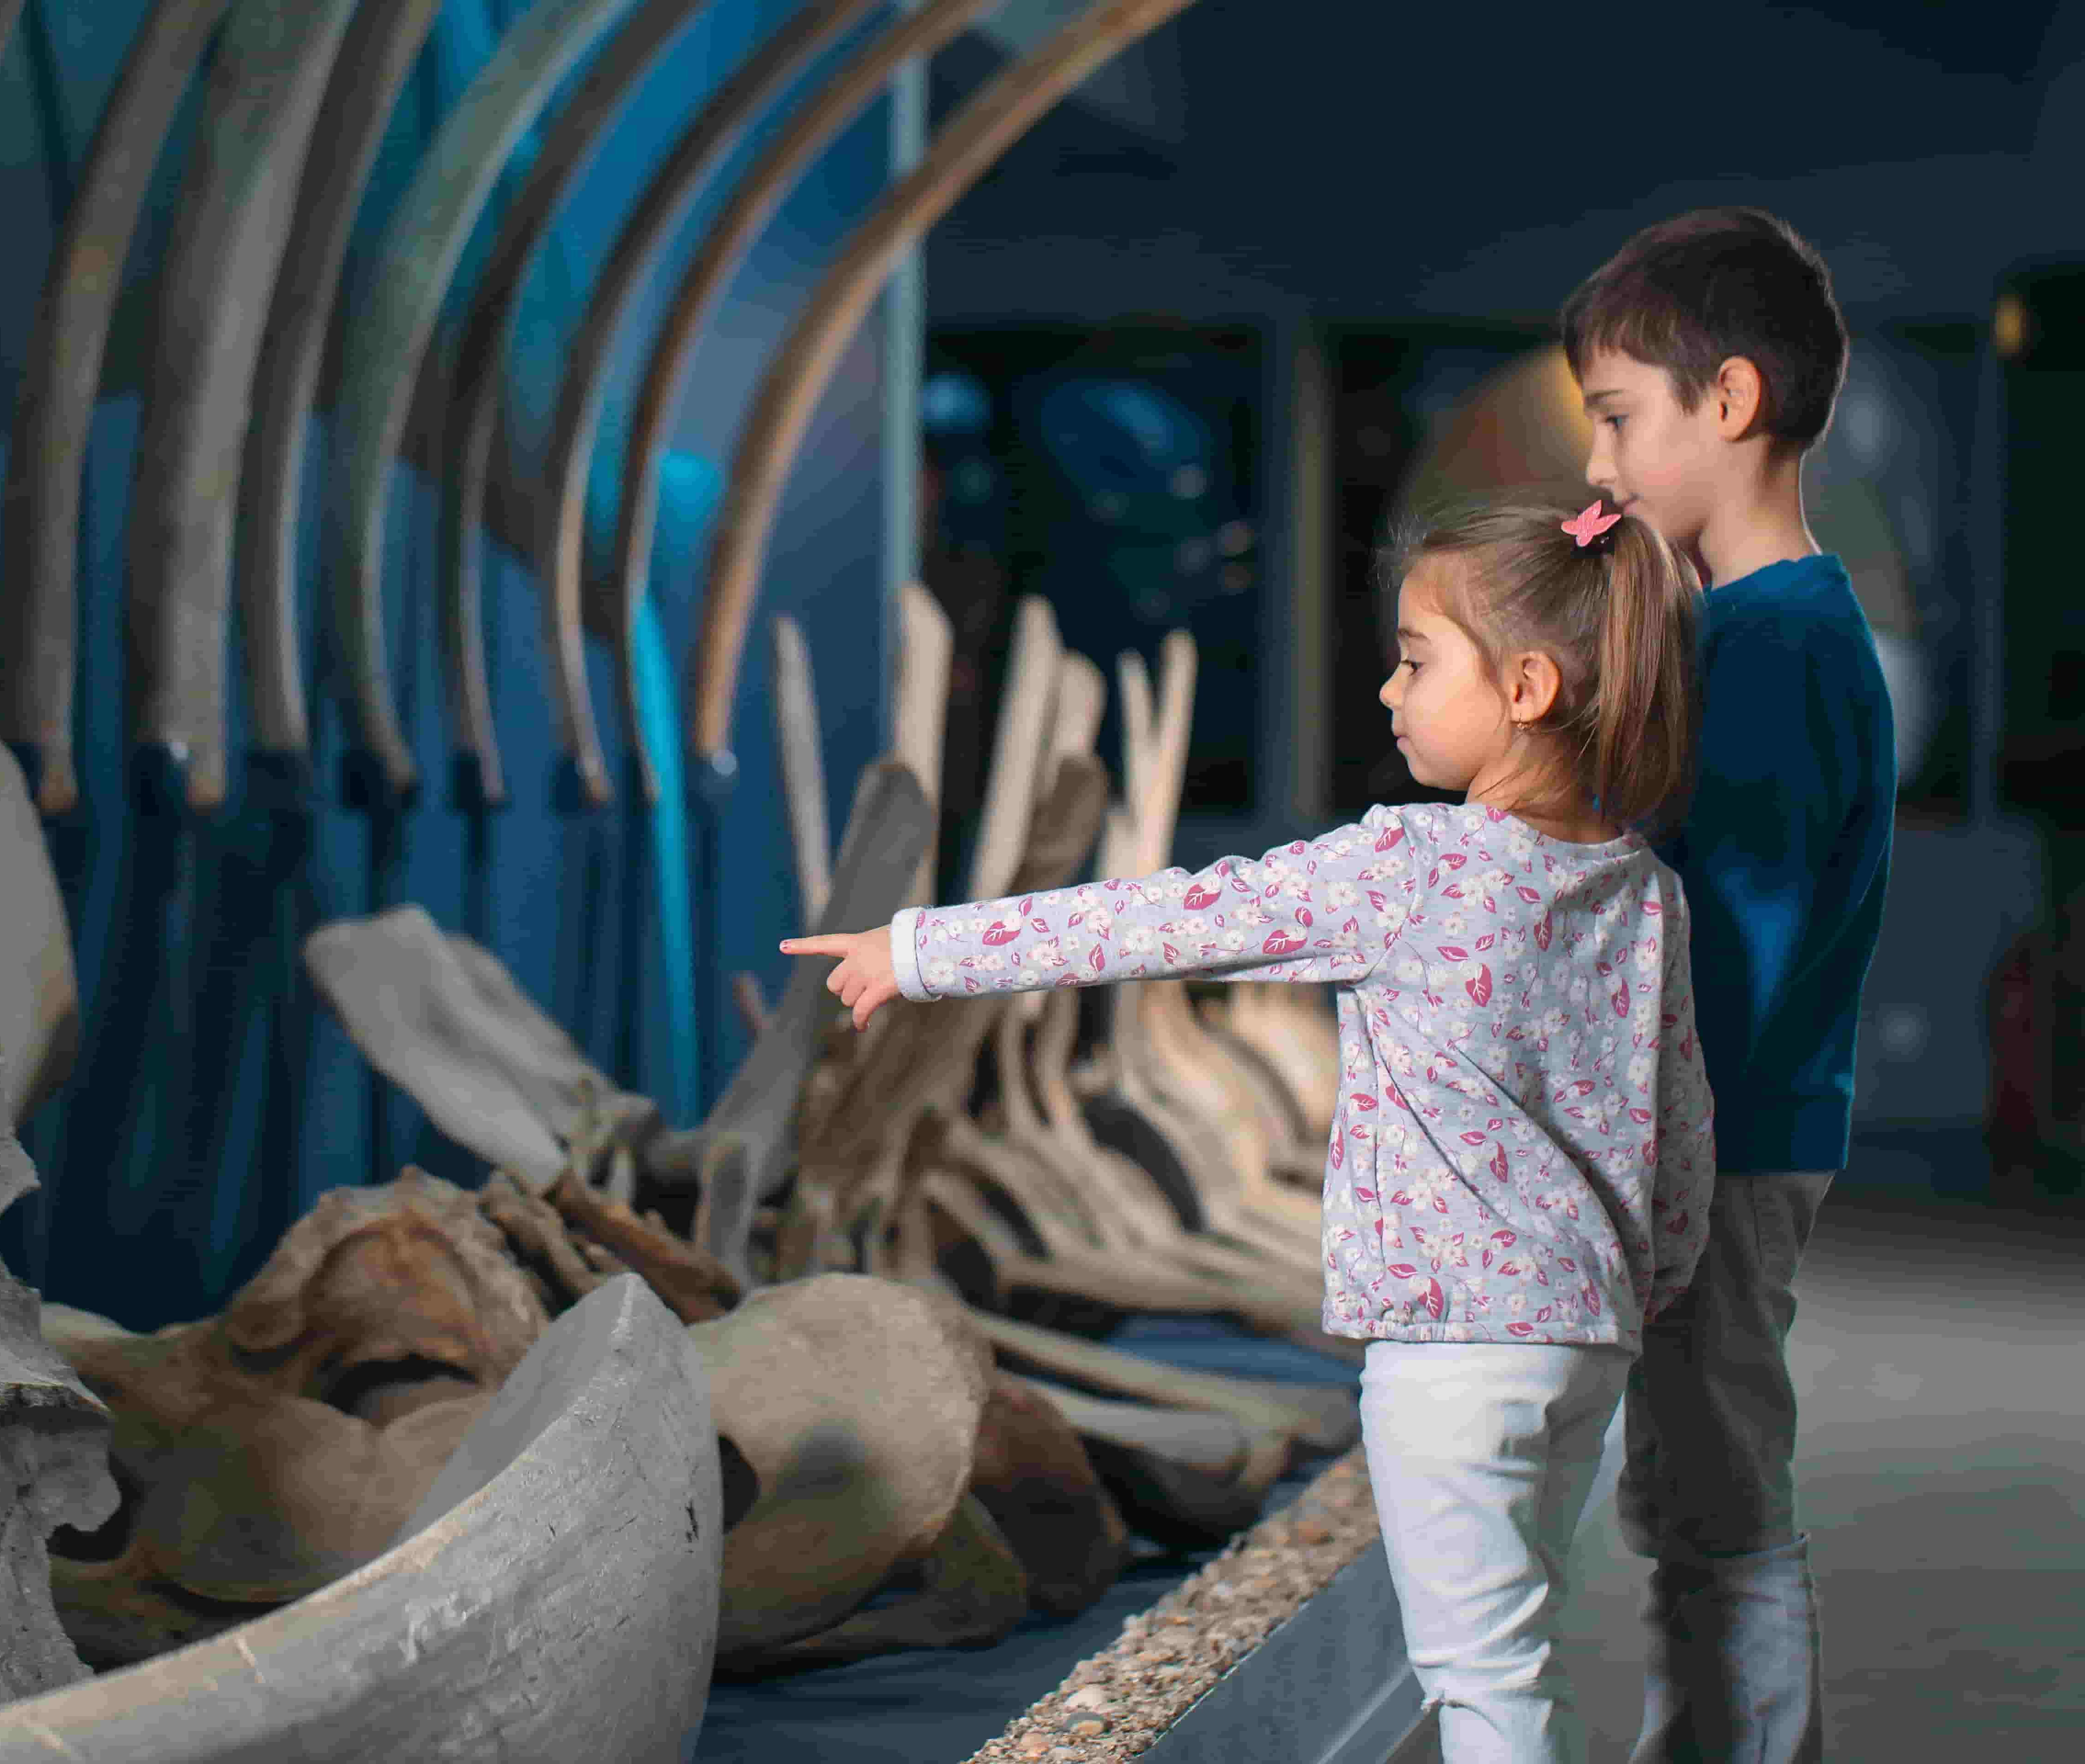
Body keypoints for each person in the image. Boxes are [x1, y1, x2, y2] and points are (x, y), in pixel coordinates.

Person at [786, 492, 1715, 1764]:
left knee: (1482, 1679)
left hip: (1449, 1355)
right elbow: (1678, 1121)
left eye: (1415, 658)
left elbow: (1171, 919)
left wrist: (921, 947)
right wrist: (1653, 1280)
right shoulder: (1643, 890)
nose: (1388, 690)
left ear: (1530, 688)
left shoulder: (1409, 868)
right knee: (1518, 1652)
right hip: (1583, 1346)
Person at [1563, 206, 1896, 1763]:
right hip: (1746, 1128)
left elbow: (1736, 940)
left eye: (1622, 421)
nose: (1601, 469)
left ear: (1733, 402)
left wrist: (1652, 1152)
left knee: (1720, 1500)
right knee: (1690, 1492)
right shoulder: (1768, 631)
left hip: (1729, 1133)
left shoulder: (1768, 651)